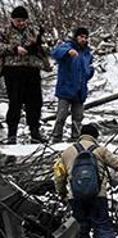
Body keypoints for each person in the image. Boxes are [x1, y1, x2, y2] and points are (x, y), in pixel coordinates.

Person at [0, 6, 50, 144]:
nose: (21, 23)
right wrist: (14, 49)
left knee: (35, 102)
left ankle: (35, 132)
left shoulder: (33, 31)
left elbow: (47, 48)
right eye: (18, 21)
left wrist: (37, 47)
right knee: (15, 102)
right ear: (12, 20)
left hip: (32, 70)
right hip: (13, 71)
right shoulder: (5, 32)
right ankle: (12, 135)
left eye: (23, 20)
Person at [50, 27, 94, 143]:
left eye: (85, 37)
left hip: (80, 91)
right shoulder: (67, 46)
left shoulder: (87, 53)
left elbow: (87, 71)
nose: (83, 39)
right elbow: (55, 52)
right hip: (65, 89)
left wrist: (90, 72)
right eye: (81, 37)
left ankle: (75, 138)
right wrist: (67, 52)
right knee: (61, 116)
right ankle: (56, 137)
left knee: (78, 117)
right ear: (76, 37)